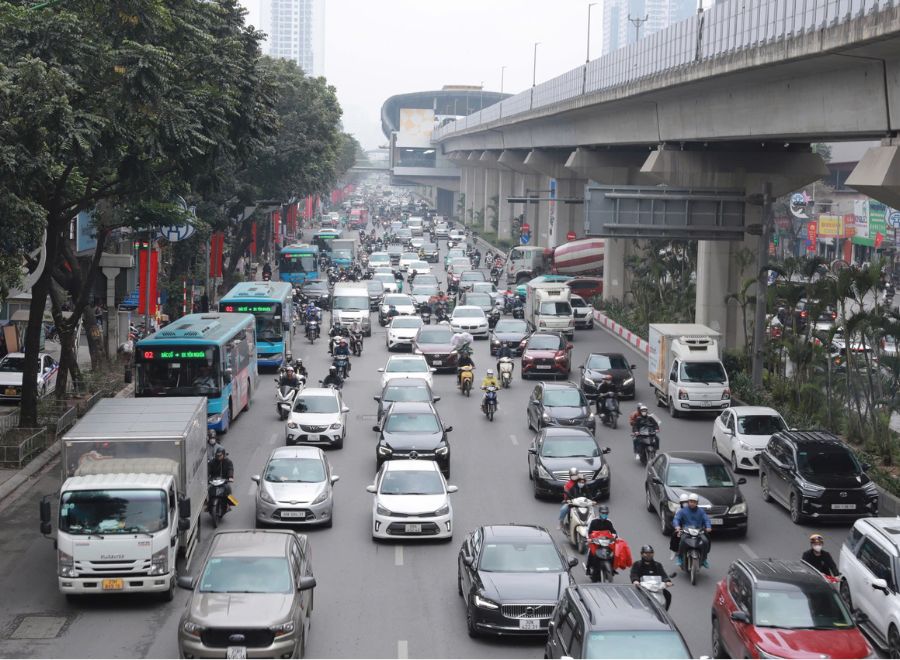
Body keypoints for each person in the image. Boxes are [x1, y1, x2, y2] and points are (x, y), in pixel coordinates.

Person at [672, 493, 712, 568]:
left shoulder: (701, 511)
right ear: (688, 502)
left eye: (694, 502)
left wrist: (708, 527)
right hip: (687, 531)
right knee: (682, 541)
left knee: (705, 541)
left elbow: (706, 519)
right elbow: (676, 519)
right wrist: (677, 526)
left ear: (697, 503)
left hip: (699, 531)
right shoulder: (683, 511)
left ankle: (704, 559)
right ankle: (680, 558)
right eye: (690, 501)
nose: (692, 503)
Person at [630, 545, 673, 610]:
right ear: (642, 554)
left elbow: (663, 574)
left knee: (668, 595)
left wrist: (667, 581)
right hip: (642, 588)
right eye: (646, 553)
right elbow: (634, 574)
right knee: (633, 598)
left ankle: (665, 612)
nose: (648, 555)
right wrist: (635, 581)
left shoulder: (657, 565)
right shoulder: (637, 564)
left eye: (650, 553)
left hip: (656, 587)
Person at [669, 493, 690, 558]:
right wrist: (677, 527)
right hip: (682, 528)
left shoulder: (693, 509)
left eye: (686, 502)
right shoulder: (679, 510)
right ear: (681, 503)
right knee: (675, 535)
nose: (685, 504)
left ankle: (704, 557)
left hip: (693, 528)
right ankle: (674, 551)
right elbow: (676, 519)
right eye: (683, 502)